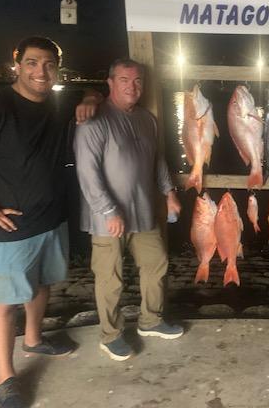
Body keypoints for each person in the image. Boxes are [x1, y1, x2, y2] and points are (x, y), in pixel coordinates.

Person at [0, 36, 101, 408]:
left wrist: (92, 98)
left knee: (43, 284)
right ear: (16, 64)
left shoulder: (58, 101)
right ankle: (5, 378)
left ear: (57, 68)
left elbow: (94, 90)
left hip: (51, 218)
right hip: (9, 228)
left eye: (49, 64)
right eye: (32, 63)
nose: (41, 71)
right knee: (4, 303)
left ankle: (34, 338)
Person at [74, 58, 183, 362]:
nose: (132, 87)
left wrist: (169, 192)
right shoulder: (93, 121)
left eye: (137, 81)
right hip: (106, 218)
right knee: (110, 278)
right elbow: (87, 173)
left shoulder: (147, 119)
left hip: (144, 211)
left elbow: (157, 160)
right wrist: (108, 211)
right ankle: (111, 336)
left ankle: (151, 320)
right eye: (124, 80)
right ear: (110, 83)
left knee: (157, 263)